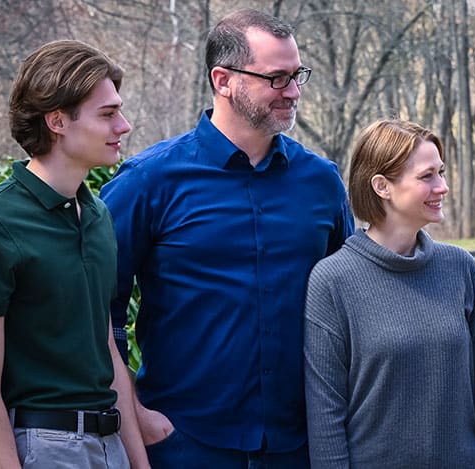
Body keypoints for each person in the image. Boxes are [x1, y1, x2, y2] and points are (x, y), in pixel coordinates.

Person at [99, 9, 353, 467]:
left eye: (297, 76)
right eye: (276, 78)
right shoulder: (148, 182)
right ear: (224, 79)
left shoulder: (322, 182)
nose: (293, 92)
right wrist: (134, 412)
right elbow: (95, 309)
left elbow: (352, 303)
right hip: (184, 443)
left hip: (302, 445)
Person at [0, 40, 148, 468]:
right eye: (108, 114)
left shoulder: (98, 216)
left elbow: (105, 349)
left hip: (109, 445)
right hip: (41, 449)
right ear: (57, 121)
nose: (125, 126)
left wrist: (137, 461)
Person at [303, 119, 475, 468]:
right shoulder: (332, 280)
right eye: (427, 176)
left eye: (442, 172)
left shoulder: (460, 267)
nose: (443, 187)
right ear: (382, 186)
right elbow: (326, 418)